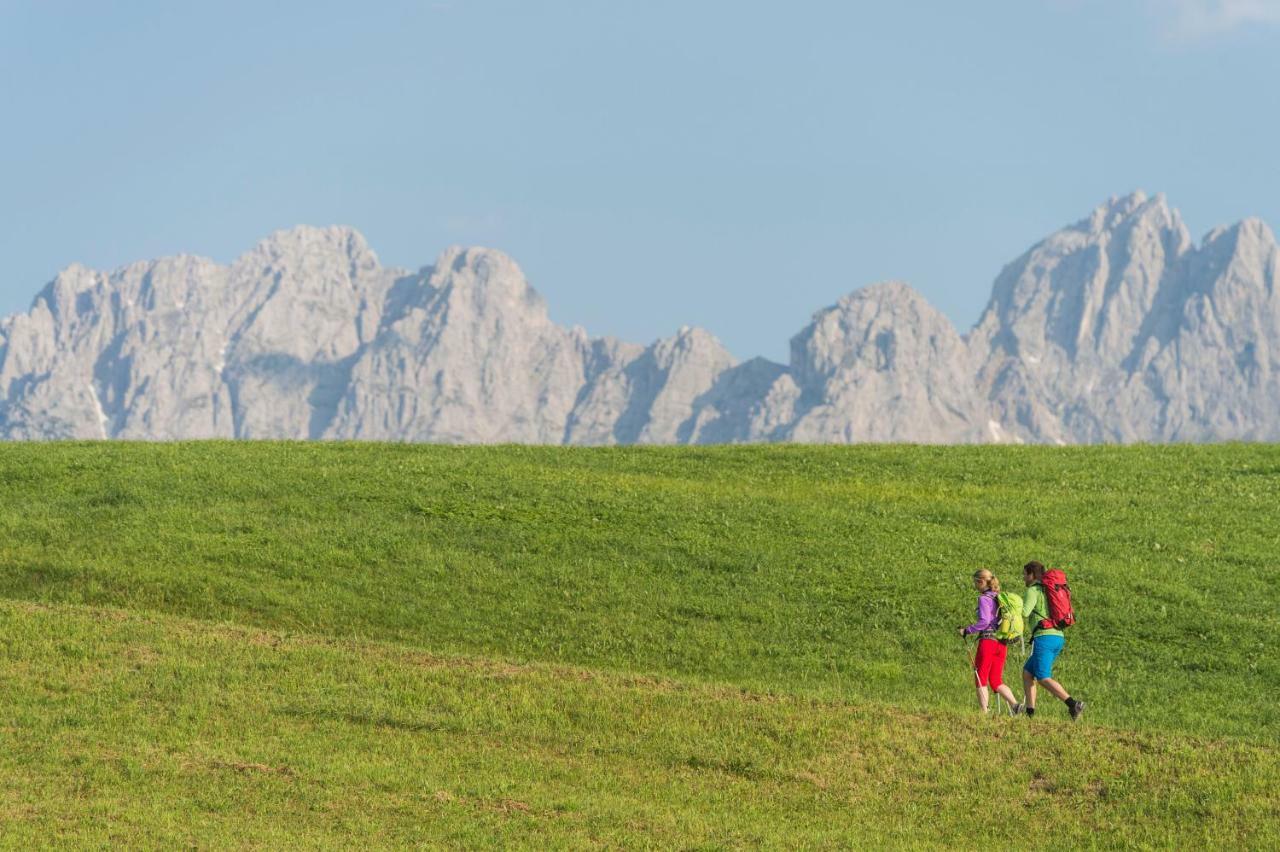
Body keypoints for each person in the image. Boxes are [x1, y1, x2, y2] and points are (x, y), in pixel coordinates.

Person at [1021, 560, 1084, 721]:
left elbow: (1025, 612)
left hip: (1044, 637)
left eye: (1025, 574)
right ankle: (1029, 714)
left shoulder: (1033, 590)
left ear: (1031, 575)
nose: (1023, 578)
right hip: (1057, 636)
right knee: (1028, 673)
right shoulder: (1049, 589)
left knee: (1042, 676)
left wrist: (1010, 606)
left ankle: (1073, 704)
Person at [958, 569, 1022, 715]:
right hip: (1002, 642)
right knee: (996, 680)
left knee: (981, 678)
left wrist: (967, 630)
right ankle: (1015, 705)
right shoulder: (1000, 597)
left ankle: (984, 713)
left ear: (980, 581)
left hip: (988, 642)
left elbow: (985, 621)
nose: (975, 585)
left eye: (975, 582)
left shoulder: (984, 599)